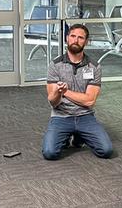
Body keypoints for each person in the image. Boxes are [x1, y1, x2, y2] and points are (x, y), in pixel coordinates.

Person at [42, 24, 113, 160]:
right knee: (50, 153)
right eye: (73, 36)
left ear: (86, 42)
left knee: (106, 150)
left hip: (85, 116)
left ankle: (79, 135)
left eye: (81, 38)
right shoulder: (55, 65)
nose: (76, 40)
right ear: (67, 38)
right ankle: (67, 136)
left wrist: (65, 91)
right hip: (61, 116)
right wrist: (57, 93)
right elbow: (53, 101)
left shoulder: (94, 66)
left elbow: (89, 100)